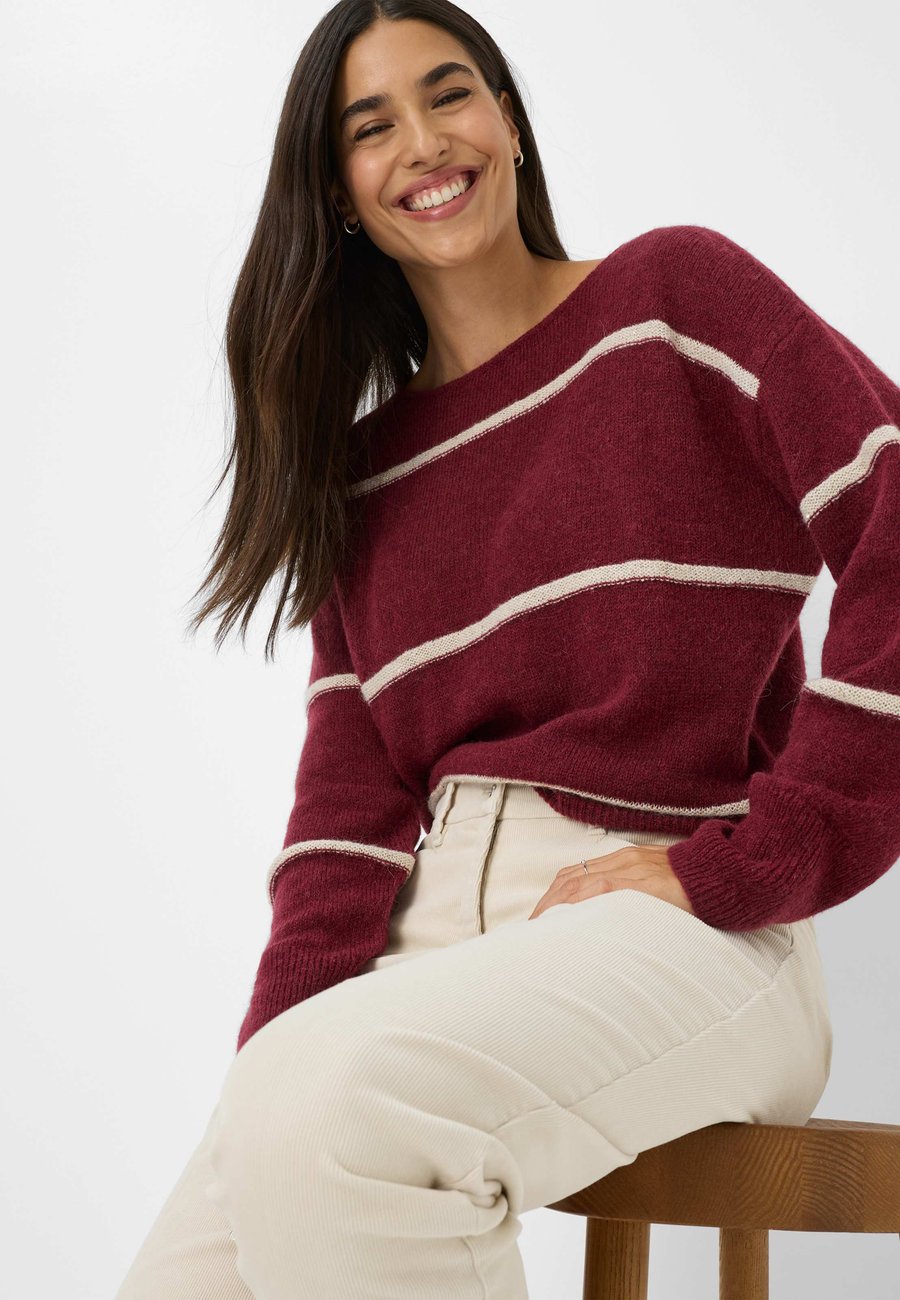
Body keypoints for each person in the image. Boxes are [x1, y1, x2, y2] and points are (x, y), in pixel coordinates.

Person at [115, 1, 900, 1297]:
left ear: (509, 121)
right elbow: (345, 824)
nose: (426, 142)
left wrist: (766, 855)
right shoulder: (363, 478)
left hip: (682, 921)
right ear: (340, 192)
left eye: (450, 93)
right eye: (372, 126)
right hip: (423, 950)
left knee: (331, 1114)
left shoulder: (671, 302)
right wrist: (267, 1072)